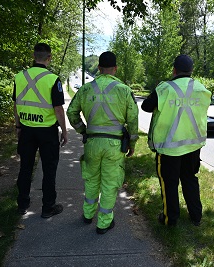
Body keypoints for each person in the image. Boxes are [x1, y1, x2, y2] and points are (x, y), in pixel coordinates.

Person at [66, 51, 139, 234]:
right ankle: (104, 223)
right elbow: (133, 120)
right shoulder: (124, 90)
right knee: (110, 183)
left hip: (92, 143)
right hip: (114, 145)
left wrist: (83, 130)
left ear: (98, 68)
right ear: (115, 68)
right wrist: (132, 144)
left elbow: (71, 113)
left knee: (91, 180)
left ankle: (88, 215)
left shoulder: (85, 89)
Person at [141, 54, 211, 227]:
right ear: (191, 71)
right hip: (193, 145)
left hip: (169, 147)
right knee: (190, 178)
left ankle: (170, 219)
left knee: (169, 183)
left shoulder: (165, 88)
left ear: (174, 70)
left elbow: (146, 107)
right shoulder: (201, 88)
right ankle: (196, 216)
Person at [13, 43, 68, 218]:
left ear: (33, 56)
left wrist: (18, 126)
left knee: (25, 167)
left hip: (27, 130)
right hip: (47, 131)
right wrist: (65, 132)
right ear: (49, 57)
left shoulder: (20, 77)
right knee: (49, 169)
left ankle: (22, 204)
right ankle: (47, 207)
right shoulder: (53, 79)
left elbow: (16, 105)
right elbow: (58, 109)